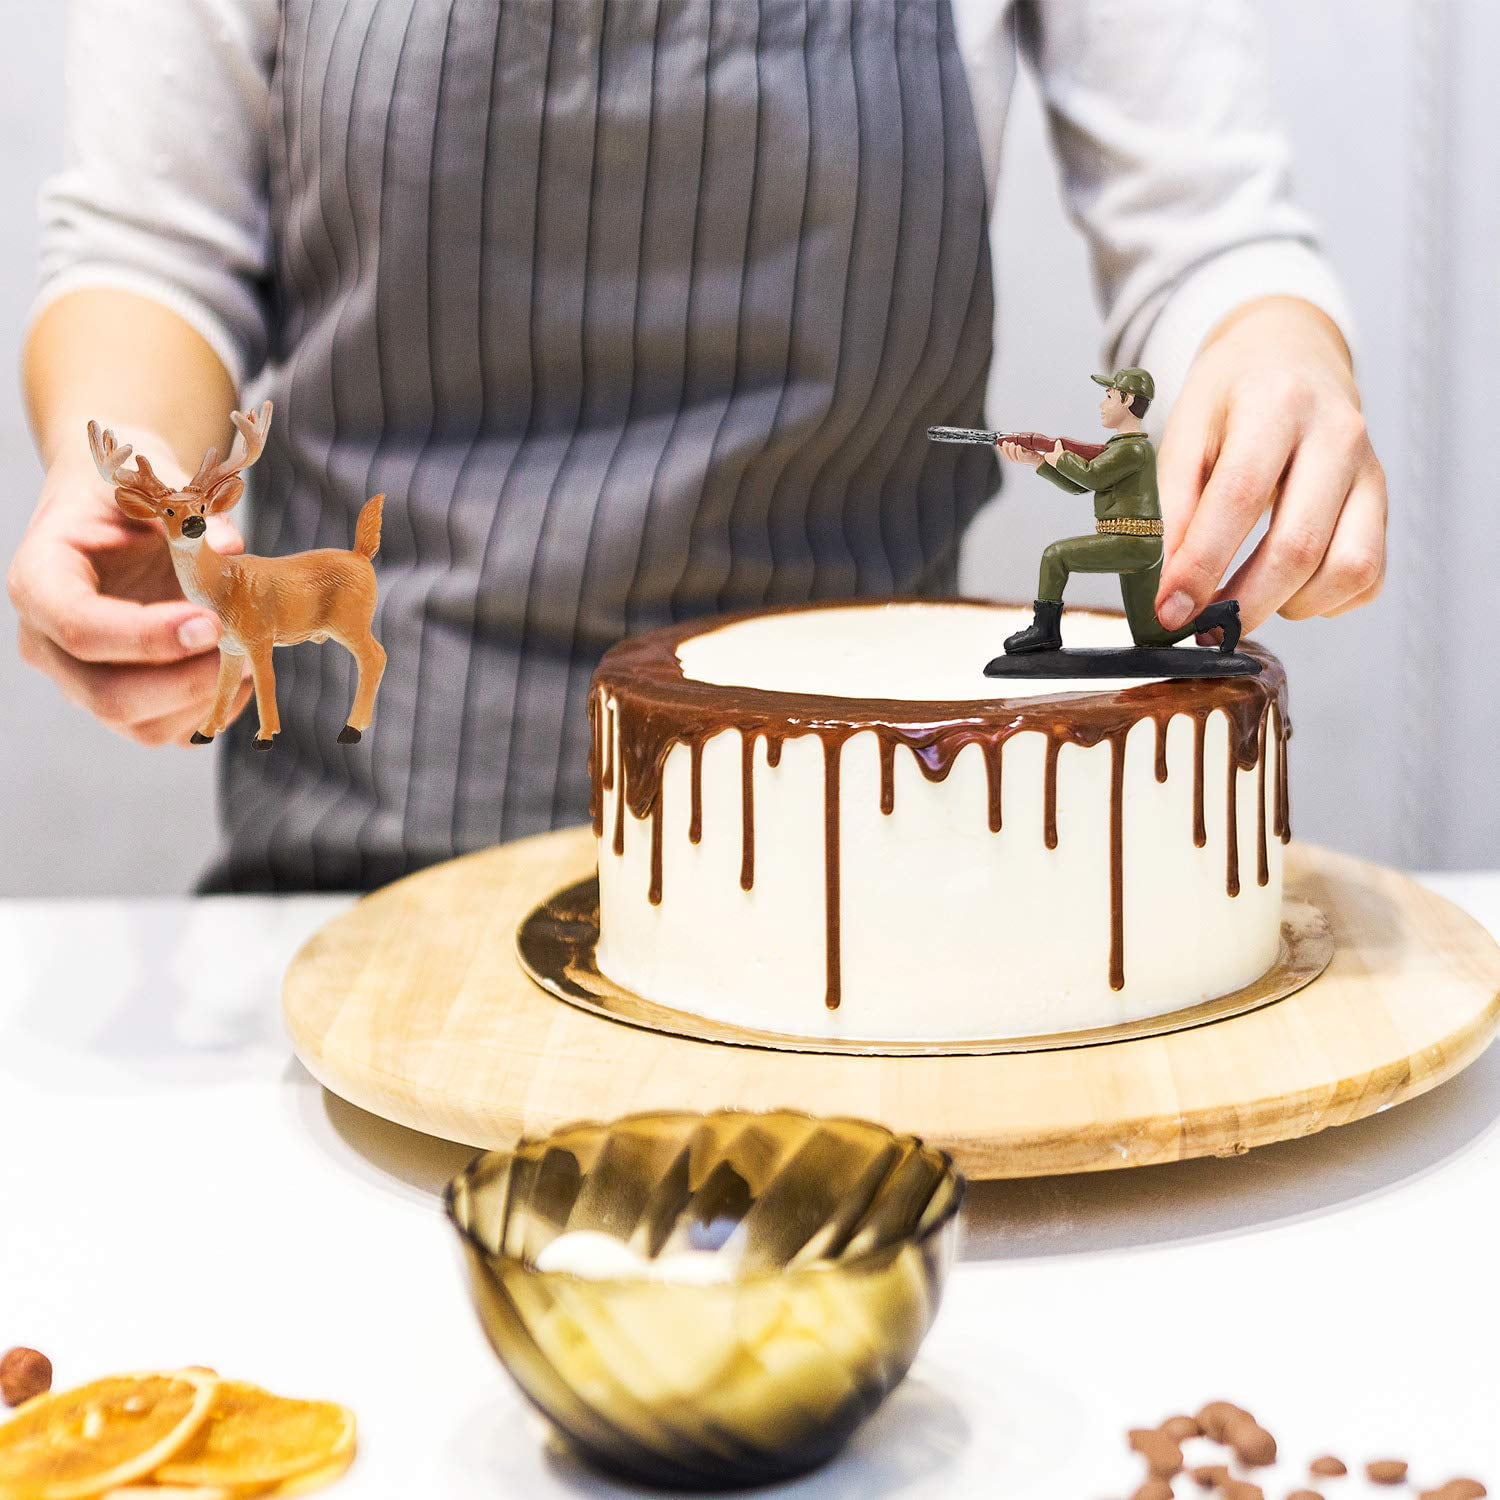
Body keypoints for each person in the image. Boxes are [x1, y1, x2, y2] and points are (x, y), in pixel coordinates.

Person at [10, 0, 1387, 892]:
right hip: (367, 850)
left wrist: (1276, 354)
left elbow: (1203, 223)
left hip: (877, 860)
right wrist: (126, 475)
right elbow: (155, 246)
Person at [999, 367, 1242, 656]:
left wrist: (1060, 456)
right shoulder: (1118, 449)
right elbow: (1081, 486)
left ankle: (1045, 631)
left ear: (1127, 400)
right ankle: (1220, 615)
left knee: (1056, 556)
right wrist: (1038, 462)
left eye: (1109, 396)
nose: (1103, 405)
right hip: (1137, 546)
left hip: (1132, 542)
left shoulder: (1134, 450)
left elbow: (1092, 477)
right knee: (1149, 634)